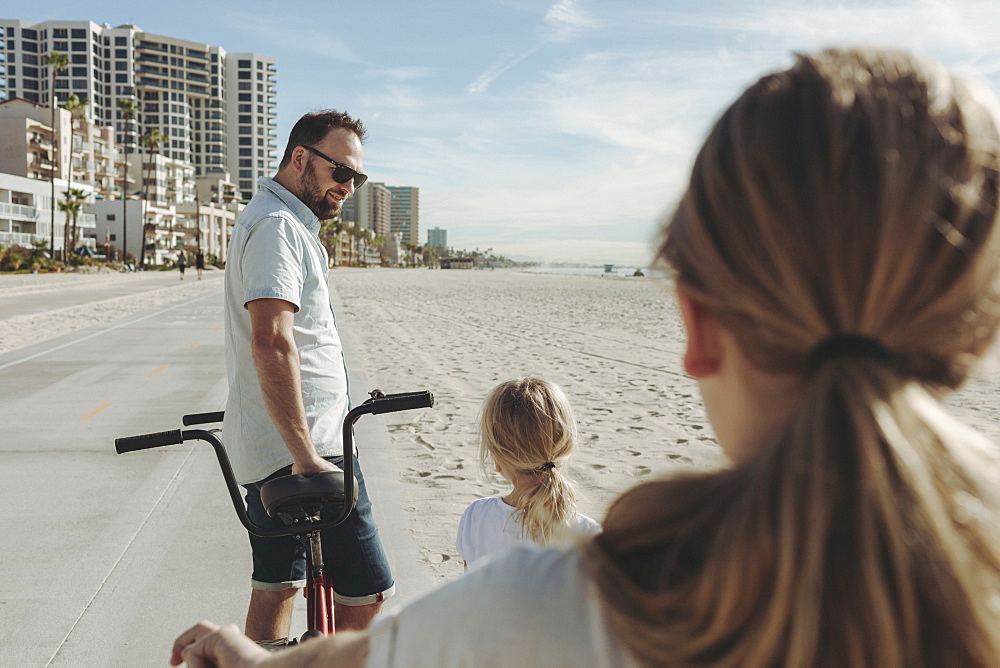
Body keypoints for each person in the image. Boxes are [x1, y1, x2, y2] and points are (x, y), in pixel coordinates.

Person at [171, 48, 1000, 667]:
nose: (348, 187)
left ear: (698, 327)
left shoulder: (573, 602)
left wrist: (245, 657)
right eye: (343, 174)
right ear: (966, 332)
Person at [220, 110, 392, 647]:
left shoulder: (277, 221)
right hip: (310, 448)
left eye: (357, 179)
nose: (348, 188)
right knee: (366, 593)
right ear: (301, 158)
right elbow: (271, 339)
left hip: (277, 444)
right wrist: (306, 455)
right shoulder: (277, 227)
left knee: (277, 583)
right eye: (341, 173)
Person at [457, 378, 600, 569]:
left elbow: (470, 587)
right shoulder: (589, 536)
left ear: (498, 460)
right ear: (565, 447)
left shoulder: (476, 517)